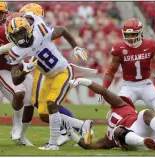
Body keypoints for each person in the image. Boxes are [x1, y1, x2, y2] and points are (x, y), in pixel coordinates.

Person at [6, 12, 90, 150]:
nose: (20, 39)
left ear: (28, 29)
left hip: (63, 71)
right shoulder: (16, 51)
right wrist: (24, 72)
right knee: (45, 114)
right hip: (49, 77)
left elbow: (62, 30)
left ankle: (53, 143)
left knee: (52, 104)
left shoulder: (41, 31)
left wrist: (75, 46)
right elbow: (15, 80)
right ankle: (82, 125)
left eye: (21, 33)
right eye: (15, 36)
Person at [68, 78, 155, 151]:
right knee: (117, 131)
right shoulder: (107, 137)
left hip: (138, 130)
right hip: (136, 144)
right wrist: (71, 133)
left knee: (145, 113)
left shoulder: (121, 105)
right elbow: (91, 146)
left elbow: (104, 91)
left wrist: (82, 81)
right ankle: (146, 141)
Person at [102, 18, 155, 130]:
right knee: (119, 113)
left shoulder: (150, 44)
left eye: (133, 34)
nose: (130, 38)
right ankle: (112, 137)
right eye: (128, 35)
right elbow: (111, 70)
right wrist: (104, 88)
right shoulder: (119, 48)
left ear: (140, 33)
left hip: (146, 84)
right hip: (128, 86)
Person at [0, 2, 33, 146]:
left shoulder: (13, 25)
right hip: (2, 69)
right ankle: (17, 126)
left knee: (31, 100)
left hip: (15, 67)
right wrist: (14, 44)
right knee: (19, 92)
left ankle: (21, 135)